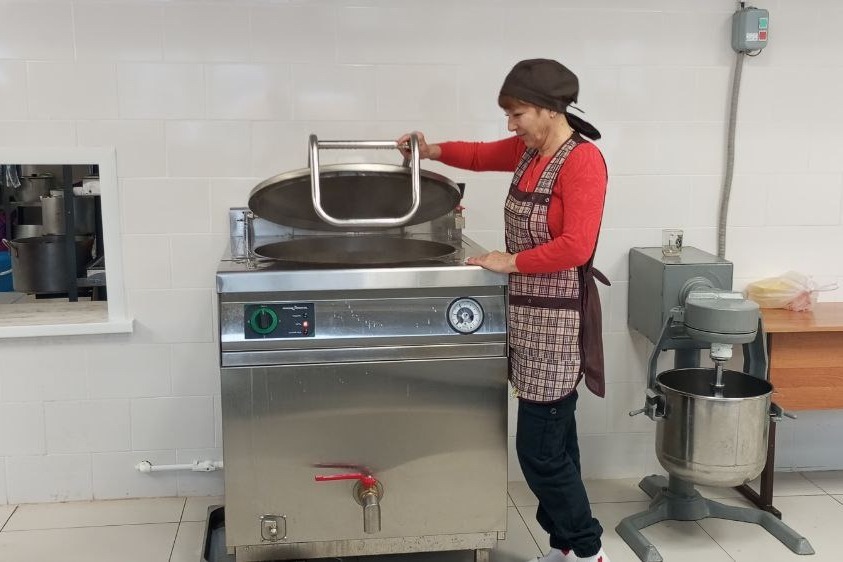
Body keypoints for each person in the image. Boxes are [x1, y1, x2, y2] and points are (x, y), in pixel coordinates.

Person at [398, 58, 610, 562]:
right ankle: (566, 548)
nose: (511, 125)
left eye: (517, 114)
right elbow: (477, 155)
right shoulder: (529, 150)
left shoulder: (582, 161)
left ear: (549, 109)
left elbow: (577, 246)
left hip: (557, 321)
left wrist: (508, 261)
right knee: (560, 443)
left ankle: (589, 551)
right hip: (525, 313)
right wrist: (429, 150)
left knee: (539, 453)